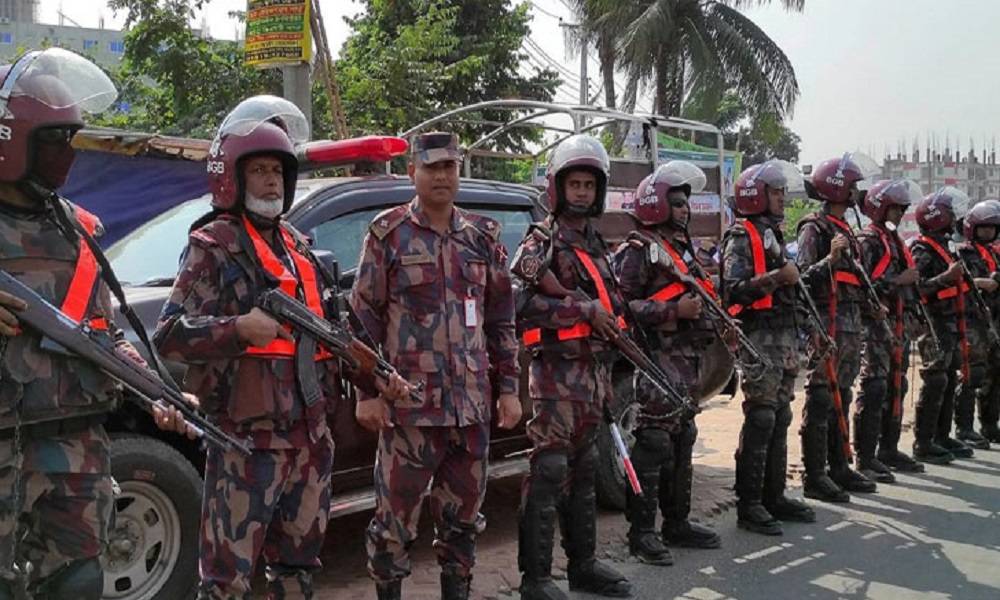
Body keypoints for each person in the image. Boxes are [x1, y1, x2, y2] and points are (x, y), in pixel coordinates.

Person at [154, 96, 410, 600]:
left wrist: (378, 377)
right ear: (234, 177)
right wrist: (237, 328)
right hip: (247, 444)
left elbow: (337, 332)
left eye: (278, 170)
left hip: (310, 440)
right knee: (226, 580)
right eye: (260, 171)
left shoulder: (299, 247)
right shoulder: (215, 244)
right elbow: (169, 334)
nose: (272, 180)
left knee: (296, 572)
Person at [0, 48, 194, 600]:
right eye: (54, 140)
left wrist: (147, 382)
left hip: (78, 446)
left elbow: (98, 327)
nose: (66, 155)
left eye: (70, 139)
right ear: (14, 141)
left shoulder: (76, 228)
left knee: (80, 582)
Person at [350, 132, 521, 600]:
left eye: (450, 167)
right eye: (432, 168)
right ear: (413, 174)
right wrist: (366, 392)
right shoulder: (387, 234)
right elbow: (363, 318)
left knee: (463, 526)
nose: (442, 175)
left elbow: (501, 319)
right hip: (410, 412)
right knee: (392, 527)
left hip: (470, 413)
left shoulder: (482, 237)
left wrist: (508, 388)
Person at [511, 134, 631, 599]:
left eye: (588, 184)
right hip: (556, 378)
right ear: (557, 188)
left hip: (594, 377)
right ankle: (536, 578)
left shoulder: (597, 243)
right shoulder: (542, 240)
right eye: (574, 183)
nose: (581, 192)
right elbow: (518, 303)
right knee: (548, 472)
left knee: (584, 473)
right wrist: (581, 312)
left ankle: (584, 566)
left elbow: (612, 301)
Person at [611, 161, 721, 563]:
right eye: (676, 203)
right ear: (656, 205)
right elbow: (623, 306)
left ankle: (677, 523)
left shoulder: (679, 252)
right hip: (657, 361)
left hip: (688, 363)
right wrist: (674, 311)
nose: (685, 210)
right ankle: (641, 533)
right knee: (653, 442)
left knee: (683, 439)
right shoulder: (637, 251)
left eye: (686, 204)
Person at [722, 160, 816, 536]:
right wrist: (777, 277)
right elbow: (732, 289)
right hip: (760, 339)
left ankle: (774, 496)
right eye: (775, 193)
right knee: (760, 418)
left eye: (781, 192)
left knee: (780, 417)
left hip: (785, 338)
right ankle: (750, 505)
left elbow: (795, 291)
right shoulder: (741, 236)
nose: (781, 199)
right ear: (755, 196)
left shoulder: (775, 234)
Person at [796, 154, 879, 502]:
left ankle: (839, 466)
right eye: (852, 186)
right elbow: (801, 277)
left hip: (849, 325)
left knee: (841, 394)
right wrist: (828, 259)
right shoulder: (814, 228)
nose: (856, 193)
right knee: (819, 397)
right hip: (824, 324)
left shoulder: (850, 231)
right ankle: (815, 475)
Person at [854, 179, 926, 481]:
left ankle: (889, 448)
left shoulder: (893, 239)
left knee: (898, 385)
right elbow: (864, 284)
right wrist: (899, 280)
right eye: (895, 208)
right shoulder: (868, 240)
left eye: (902, 208)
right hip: (875, 325)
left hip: (897, 325)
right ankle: (866, 456)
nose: (899, 213)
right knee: (874, 388)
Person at [909, 188, 977, 464]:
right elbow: (918, 288)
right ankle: (923, 442)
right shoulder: (922, 249)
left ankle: (942, 435)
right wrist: (946, 278)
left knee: (948, 378)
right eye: (949, 213)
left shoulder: (947, 247)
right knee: (935, 379)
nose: (954, 218)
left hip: (950, 323)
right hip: (933, 323)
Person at [953, 199, 1000, 450]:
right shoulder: (963, 252)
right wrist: (982, 282)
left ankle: (990, 424)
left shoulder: (994, 252)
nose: (989, 233)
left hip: (993, 319)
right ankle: (964, 427)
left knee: (995, 371)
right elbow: (958, 282)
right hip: (971, 318)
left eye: (992, 228)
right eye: (984, 228)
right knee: (973, 373)